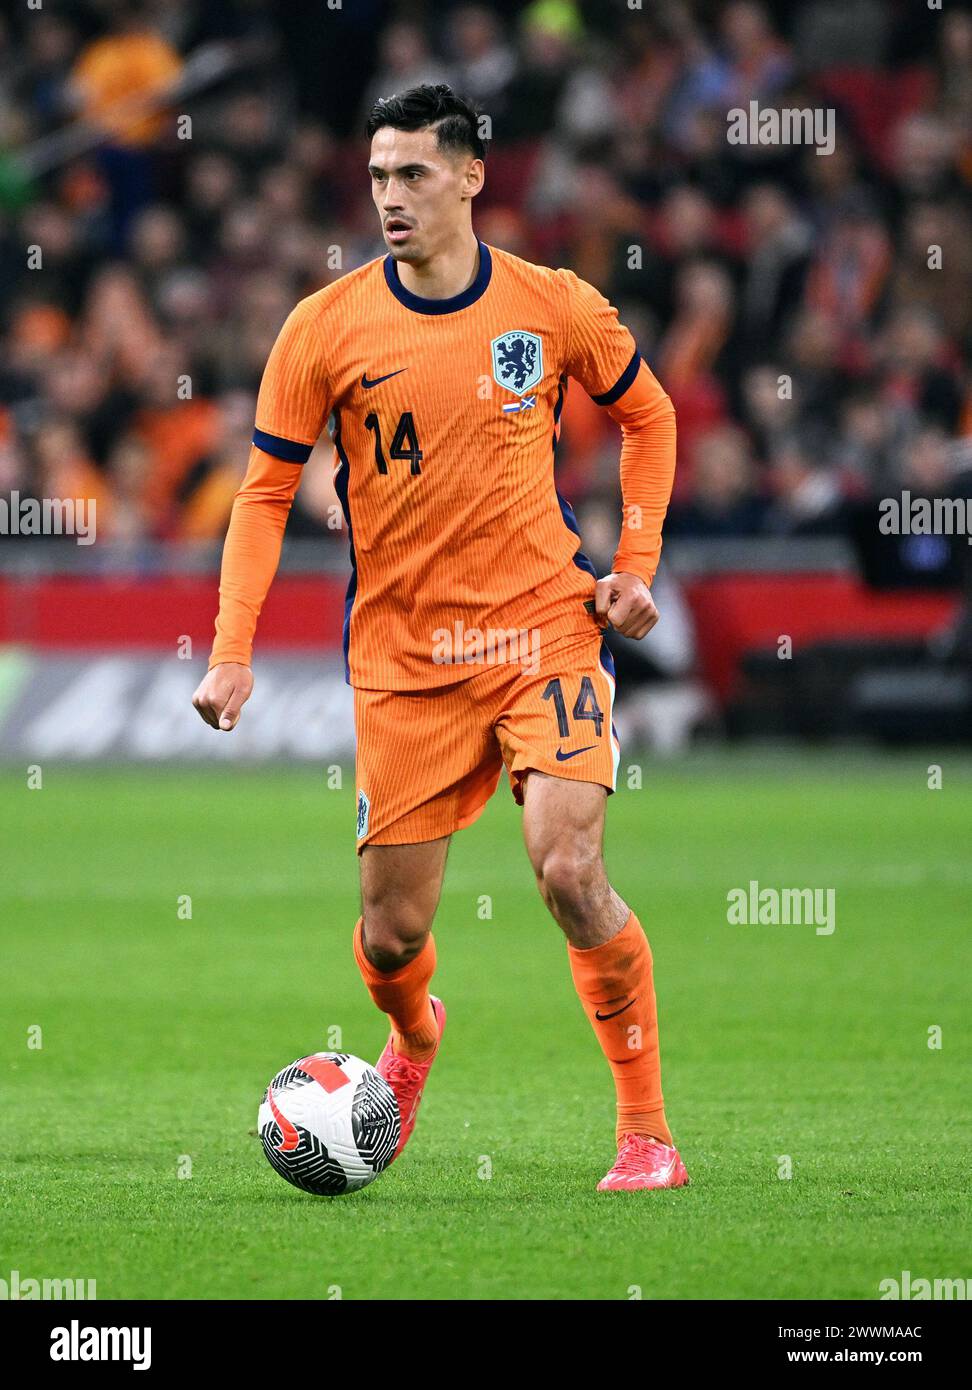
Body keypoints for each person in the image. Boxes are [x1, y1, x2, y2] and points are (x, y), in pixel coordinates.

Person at [192, 84, 684, 1191]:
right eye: (376, 177)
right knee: (391, 940)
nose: (389, 199)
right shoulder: (321, 328)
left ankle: (647, 1135)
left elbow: (648, 415)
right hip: (406, 663)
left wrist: (637, 568)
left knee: (568, 865)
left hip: (544, 634)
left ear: (471, 177)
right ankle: (413, 1038)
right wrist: (232, 648)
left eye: (412, 174)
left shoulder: (551, 305)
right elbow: (264, 494)